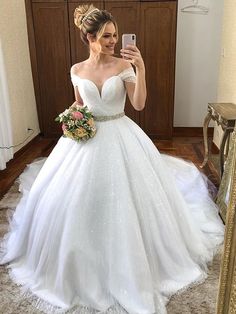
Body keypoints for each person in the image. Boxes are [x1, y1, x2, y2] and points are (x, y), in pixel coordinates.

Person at [0, 4, 224, 314]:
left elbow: (139, 104)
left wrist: (141, 68)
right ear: (89, 37)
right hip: (85, 141)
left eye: (115, 35)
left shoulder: (124, 66)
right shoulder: (76, 70)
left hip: (121, 133)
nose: (114, 41)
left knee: (130, 201)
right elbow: (79, 104)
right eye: (106, 36)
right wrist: (72, 119)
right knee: (73, 199)